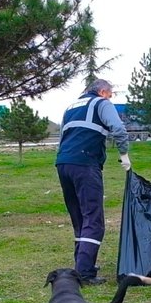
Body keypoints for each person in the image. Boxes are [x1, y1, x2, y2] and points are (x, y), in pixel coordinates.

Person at [56, 79, 131, 285]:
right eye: (111, 93)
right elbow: (118, 129)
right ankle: (85, 273)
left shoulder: (70, 107)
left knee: (79, 218)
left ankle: (82, 263)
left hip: (63, 163)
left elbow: (63, 137)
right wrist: (124, 154)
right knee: (93, 220)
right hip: (85, 163)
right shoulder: (101, 103)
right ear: (103, 91)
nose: (111, 97)